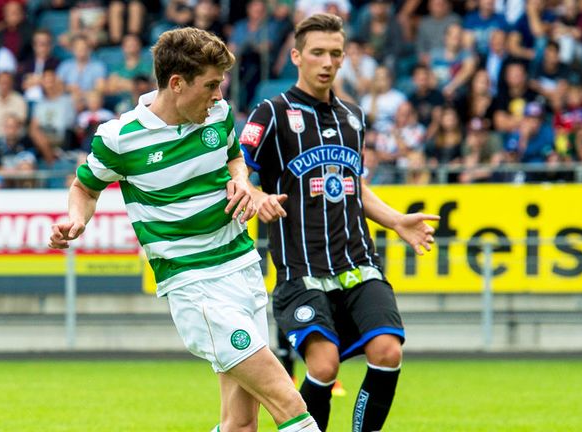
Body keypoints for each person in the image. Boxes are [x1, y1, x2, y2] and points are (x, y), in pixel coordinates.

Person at [48, 27, 320, 432]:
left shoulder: (220, 115)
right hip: (196, 285)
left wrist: (242, 181)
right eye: (211, 85)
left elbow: (234, 159)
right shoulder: (120, 139)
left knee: (241, 424)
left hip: (243, 270)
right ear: (176, 84)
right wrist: (76, 218)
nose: (218, 95)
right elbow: (85, 187)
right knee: (292, 407)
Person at [238, 14, 438, 431]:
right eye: (317, 53)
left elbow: (353, 186)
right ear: (296, 56)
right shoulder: (272, 112)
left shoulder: (353, 117)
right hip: (301, 272)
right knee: (324, 366)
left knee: (388, 351)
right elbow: (235, 165)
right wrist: (253, 193)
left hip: (357, 263)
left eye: (335, 53)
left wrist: (397, 220)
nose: (327, 62)